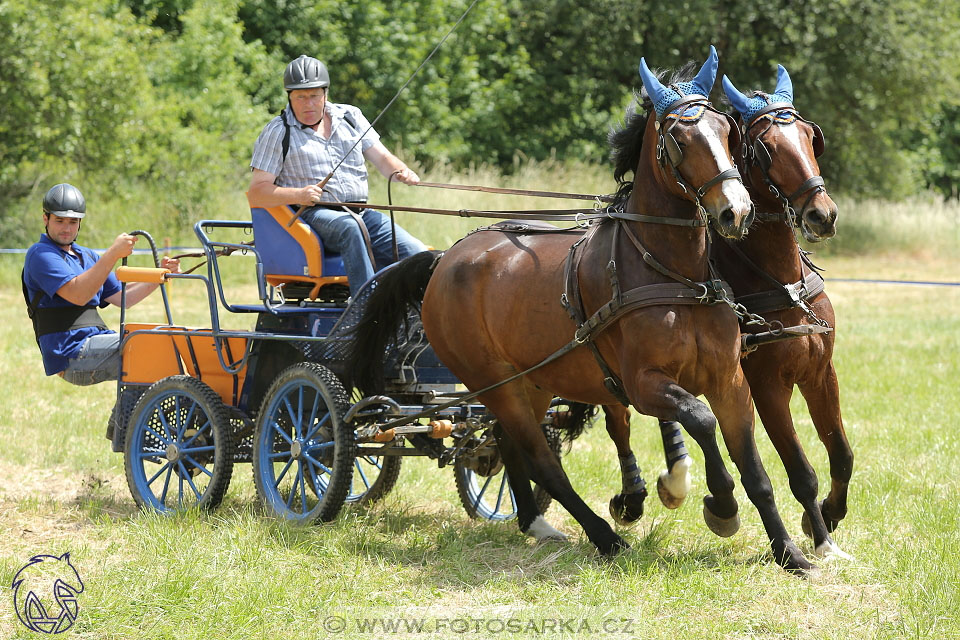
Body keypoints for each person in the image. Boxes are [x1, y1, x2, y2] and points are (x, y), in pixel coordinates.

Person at [248, 54, 427, 296]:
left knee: (416, 253)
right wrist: (299, 194)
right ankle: (364, 306)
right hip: (312, 214)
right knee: (349, 228)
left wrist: (401, 171)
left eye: (314, 96)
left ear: (325, 93)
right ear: (289, 96)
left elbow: (383, 159)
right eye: (300, 97)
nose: (308, 104)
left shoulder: (350, 117)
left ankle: (414, 310)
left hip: (361, 212)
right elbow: (258, 192)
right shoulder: (278, 132)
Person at [22, 183, 180, 386]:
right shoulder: (40, 254)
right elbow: (78, 294)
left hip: (95, 340)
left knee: (160, 345)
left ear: (80, 222)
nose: (66, 228)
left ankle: (137, 408)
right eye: (59, 221)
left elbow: (125, 297)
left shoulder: (87, 256)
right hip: (70, 352)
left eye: (73, 222)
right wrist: (113, 253)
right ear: (46, 219)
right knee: (144, 344)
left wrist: (161, 274)